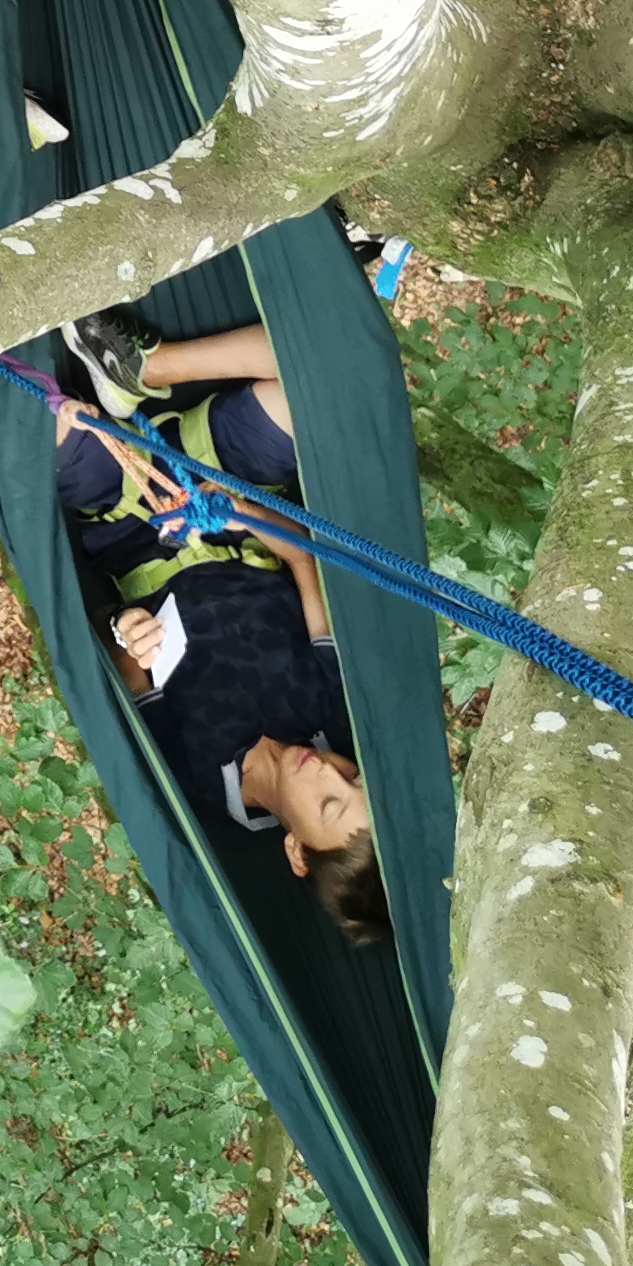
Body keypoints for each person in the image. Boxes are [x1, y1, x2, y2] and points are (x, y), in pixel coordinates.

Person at [50, 315, 391, 947]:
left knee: (50, 427)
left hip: (131, 517)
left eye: (328, 804)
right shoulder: (333, 716)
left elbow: (123, 659)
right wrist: (235, 511)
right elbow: (301, 559)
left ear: (296, 851)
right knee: (325, 356)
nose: (329, 771)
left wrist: (129, 631)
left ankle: (113, 403)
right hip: (228, 482)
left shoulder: (203, 784)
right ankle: (147, 372)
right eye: (352, 780)